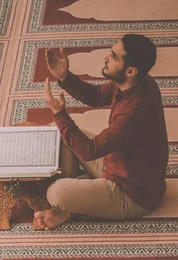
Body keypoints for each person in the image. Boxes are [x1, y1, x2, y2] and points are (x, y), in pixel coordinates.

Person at [34, 34, 168, 230]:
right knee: (59, 134)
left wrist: (58, 111)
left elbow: (89, 151)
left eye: (113, 56)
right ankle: (79, 197)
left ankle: (71, 202)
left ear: (130, 70)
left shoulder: (132, 114)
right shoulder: (135, 81)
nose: (106, 57)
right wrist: (65, 76)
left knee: (55, 193)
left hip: (130, 194)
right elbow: (96, 96)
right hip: (115, 164)